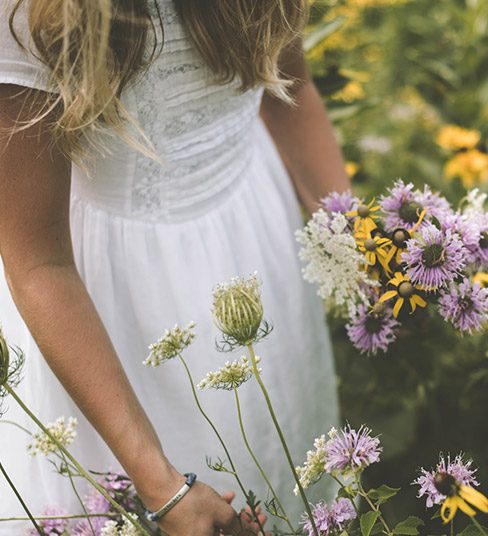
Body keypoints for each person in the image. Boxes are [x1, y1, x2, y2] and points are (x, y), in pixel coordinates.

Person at [0, 0, 348, 533]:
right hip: (115, 309)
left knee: (281, 452)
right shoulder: (30, 13)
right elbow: (38, 259)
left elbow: (288, 88)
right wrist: (162, 486)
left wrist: (359, 249)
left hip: (258, 239)